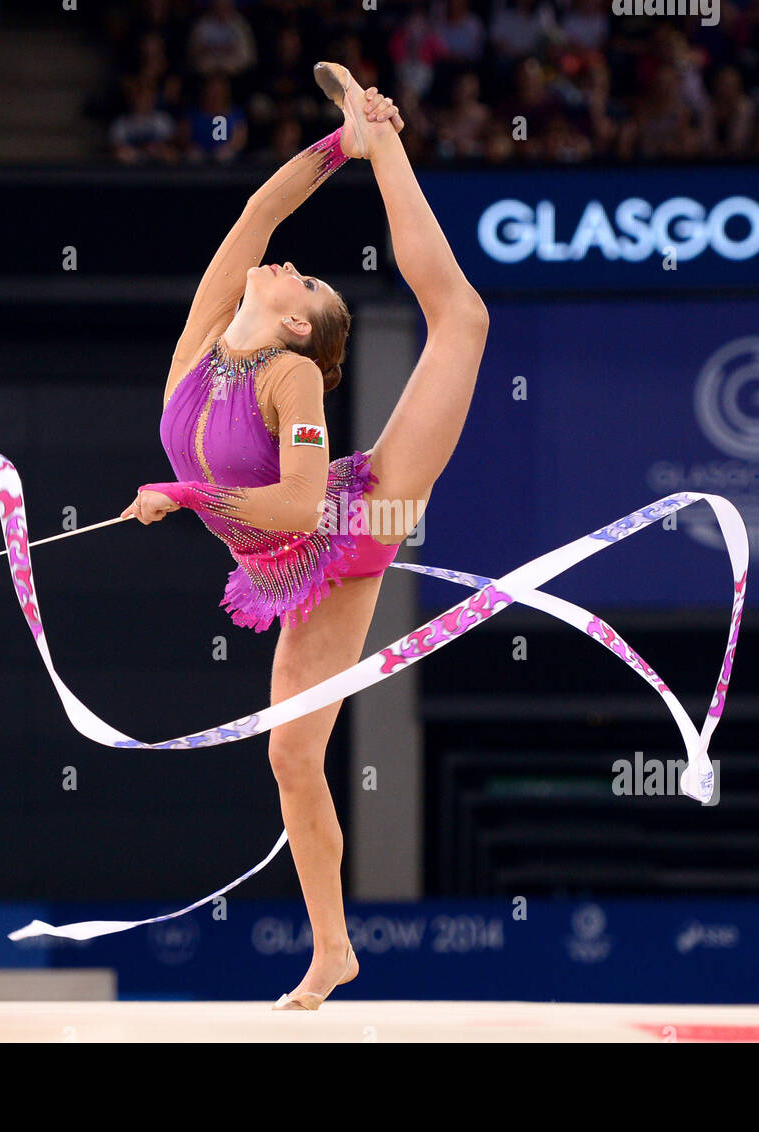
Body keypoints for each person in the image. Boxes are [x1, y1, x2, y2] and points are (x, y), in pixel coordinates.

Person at [122, 63, 489, 1009]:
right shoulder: (203, 346)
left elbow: (299, 507)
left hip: (350, 524)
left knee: (462, 318)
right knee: (291, 758)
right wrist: (341, 142)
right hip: (283, 572)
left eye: (305, 279)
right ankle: (335, 951)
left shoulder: (289, 376)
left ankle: (399, 150)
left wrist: (183, 493)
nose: (289, 262)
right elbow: (260, 211)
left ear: (296, 323)